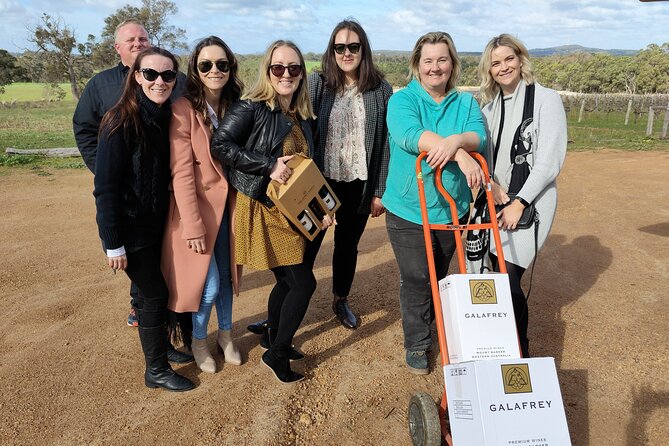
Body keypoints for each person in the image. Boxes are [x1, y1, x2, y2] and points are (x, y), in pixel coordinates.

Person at [211, 40, 333, 384]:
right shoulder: (251, 107)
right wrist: (267, 165)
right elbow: (220, 145)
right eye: (278, 68)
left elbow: (308, 170)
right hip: (265, 209)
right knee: (302, 283)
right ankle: (276, 353)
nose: (286, 75)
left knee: (287, 280)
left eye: (294, 68)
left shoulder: (301, 113)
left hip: (295, 211)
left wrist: (323, 208)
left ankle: (273, 335)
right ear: (267, 70)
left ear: (301, 74)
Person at [383, 32, 486, 375]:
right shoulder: (402, 101)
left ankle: (438, 329)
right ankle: (416, 342)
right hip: (408, 208)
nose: (435, 67)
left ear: (452, 64)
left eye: (442, 59)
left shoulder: (465, 102)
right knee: (416, 278)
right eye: (428, 60)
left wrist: (458, 141)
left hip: (450, 208)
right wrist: (460, 154)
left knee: (440, 275)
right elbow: (409, 136)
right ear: (416, 65)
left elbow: (479, 136)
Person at [73, 19, 186, 331]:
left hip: (163, 195)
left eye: (143, 38)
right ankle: (144, 310)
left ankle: (161, 321)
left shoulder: (175, 80)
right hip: (126, 196)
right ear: (118, 48)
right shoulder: (101, 86)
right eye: (131, 39)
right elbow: (84, 130)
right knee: (146, 275)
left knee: (158, 258)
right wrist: (107, 168)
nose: (138, 43)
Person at [94, 46, 194, 392]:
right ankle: (156, 370)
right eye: (150, 74)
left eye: (168, 75)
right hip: (131, 230)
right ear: (137, 77)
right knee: (154, 295)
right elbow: (105, 188)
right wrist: (112, 243)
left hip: (155, 226)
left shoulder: (164, 117)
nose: (160, 81)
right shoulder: (119, 121)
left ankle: (163, 346)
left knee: (154, 294)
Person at [477, 34, 567, 358]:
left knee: (508, 276)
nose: (503, 67)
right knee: (496, 276)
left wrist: (519, 202)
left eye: (508, 59)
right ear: (489, 69)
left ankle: (519, 355)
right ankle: (500, 348)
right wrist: (490, 183)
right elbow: (482, 158)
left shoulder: (546, 100)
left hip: (530, 204)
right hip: (495, 202)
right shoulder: (487, 110)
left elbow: (549, 161)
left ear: (521, 59)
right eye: (496, 62)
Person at [161, 36, 244, 374]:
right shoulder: (183, 109)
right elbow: (181, 173)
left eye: (222, 64)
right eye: (206, 64)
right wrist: (192, 225)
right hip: (197, 212)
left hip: (232, 208)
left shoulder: (239, 105)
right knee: (206, 284)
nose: (215, 70)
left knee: (226, 279)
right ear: (195, 69)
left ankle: (225, 335)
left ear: (230, 68)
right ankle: (198, 339)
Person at [307, 19, 393, 329]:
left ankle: (340, 299)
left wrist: (380, 190)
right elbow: (305, 129)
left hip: (359, 182)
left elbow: (384, 143)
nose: (346, 52)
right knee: (307, 243)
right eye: (339, 47)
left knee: (346, 245)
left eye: (353, 46)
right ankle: (288, 304)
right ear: (332, 50)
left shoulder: (380, 88)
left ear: (363, 49)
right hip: (321, 181)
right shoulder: (318, 82)